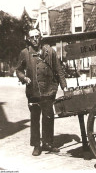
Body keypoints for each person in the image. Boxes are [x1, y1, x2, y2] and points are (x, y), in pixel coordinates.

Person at [16, 28, 68, 156]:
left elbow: (59, 70)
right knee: (35, 119)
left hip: (48, 91)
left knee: (48, 118)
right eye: (32, 37)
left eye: (37, 36)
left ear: (41, 37)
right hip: (33, 92)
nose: (34, 39)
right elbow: (18, 70)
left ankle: (48, 143)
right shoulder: (25, 53)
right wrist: (24, 78)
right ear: (28, 39)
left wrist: (64, 87)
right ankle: (36, 145)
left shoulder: (50, 52)